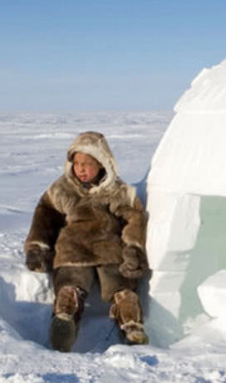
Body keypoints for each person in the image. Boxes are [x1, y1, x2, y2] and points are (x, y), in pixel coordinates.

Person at [24, 131, 149, 352]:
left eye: (87, 164)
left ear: (102, 164)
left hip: (108, 248)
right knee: (70, 282)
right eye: (77, 163)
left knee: (122, 286)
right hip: (73, 248)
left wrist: (133, 247)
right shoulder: (63, 189)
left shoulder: (116, 190)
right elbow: (45, 216)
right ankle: (64, 318)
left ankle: (131, 325)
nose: (80, 168)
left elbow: (134, 217)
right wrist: (38, 246)